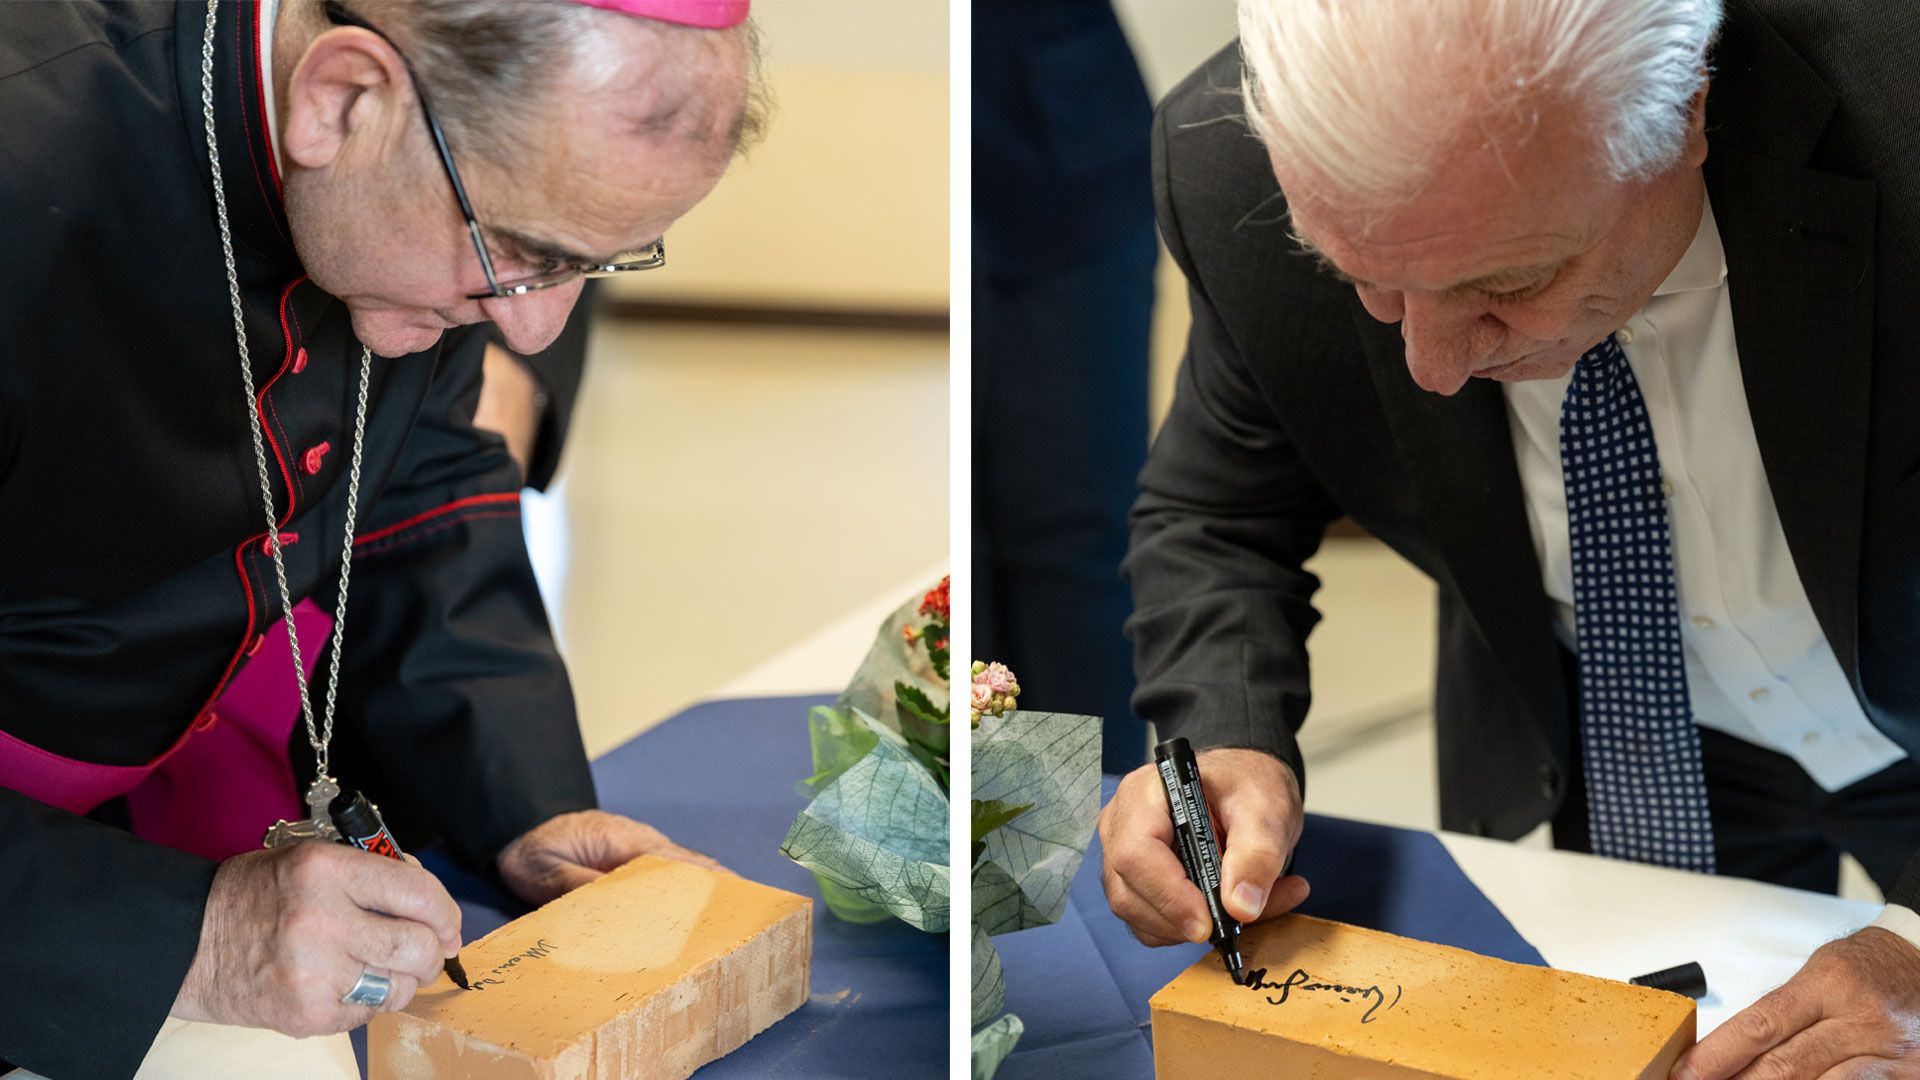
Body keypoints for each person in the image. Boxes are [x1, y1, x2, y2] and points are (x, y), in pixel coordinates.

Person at [1096, 1, 1920, 1077]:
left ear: (1688, 111)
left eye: (1509, 285)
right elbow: (1222, 511)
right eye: (1371, 282)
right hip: (1631, 728)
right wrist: (1226, 736)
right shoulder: (1231, 173)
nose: (1432, 365)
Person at [0, 1, 767, 1076]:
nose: (531, 329)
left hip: (201, 747)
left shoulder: (410, 178)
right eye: (522, 252)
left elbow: (416, 481)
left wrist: (519, 801)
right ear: (341, 97)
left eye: (595, 262)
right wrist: (186, 936)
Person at [973, 0, 1156, 774]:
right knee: (961, 568)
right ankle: (972, 850)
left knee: (1079, 548)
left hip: (1064, 151)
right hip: (974, 144)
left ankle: (1090, 842)